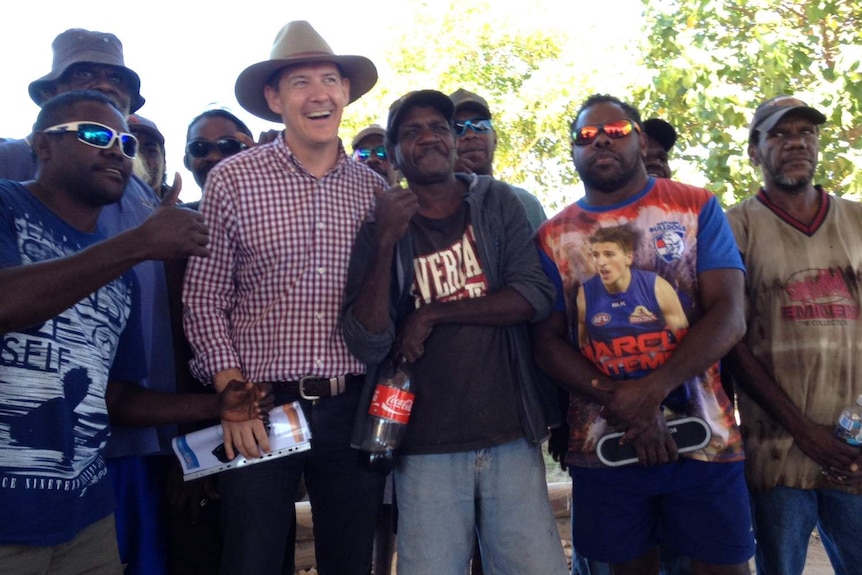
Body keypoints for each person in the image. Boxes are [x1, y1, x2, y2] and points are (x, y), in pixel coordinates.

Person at [182, 20, 386, 575]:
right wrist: (230, 391)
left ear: (346, 92)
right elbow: (204, 298)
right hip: (261, 405)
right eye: (299, 82)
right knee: (251, 558)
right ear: (273, 98)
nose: (318, 94)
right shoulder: (233, 180)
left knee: (351, 559)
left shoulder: (374, 190)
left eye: (329, 79)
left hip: (351, 408)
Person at [341, 89, 568, 575]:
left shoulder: (495, 202)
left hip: (509, 432)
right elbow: (369, 341)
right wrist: (384, 240)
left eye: (438, 127)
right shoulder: (380, 225)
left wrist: (432, 314)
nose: (428, 137)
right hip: (424, 444)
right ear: (396, 154)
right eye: (411, 131)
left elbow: (533, 295)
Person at [532, 93, 754, 575]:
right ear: (573, 152)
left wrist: (649, 393)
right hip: (603, 445)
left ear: (640, 138)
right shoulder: (553, 236)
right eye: (586, 136)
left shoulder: (695, 207)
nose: (601, 142)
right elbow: (547, 340)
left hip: (706, 439)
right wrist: (621, 399)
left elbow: (729, 314)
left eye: (615, 130)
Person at [0, 27, 189, 574]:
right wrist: (141, 244)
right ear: (43, 139)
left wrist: (217, 409)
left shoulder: (132, 222)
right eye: (90, 131)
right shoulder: (8, 186)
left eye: (125, 142)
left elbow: (118, 396)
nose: (115, 149)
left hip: (88, 503)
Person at [725, 95, 862, 575]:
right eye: (779, 134)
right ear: (753, 151)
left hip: (854, 449)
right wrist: (804, 431)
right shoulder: (734, 228)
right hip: (776, 452)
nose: (796, 143)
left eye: (806, 132)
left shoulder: (857, 219)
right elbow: (730, 341)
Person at [449, 87, 547, 229]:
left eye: (480, 125)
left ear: (495, 138)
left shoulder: (525, 204)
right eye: (457, 128)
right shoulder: (431, 213)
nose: (470, 134)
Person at [183, 108, 255, 195]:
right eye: (199, 147)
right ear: (186, 161)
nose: (214, 157)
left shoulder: (272, 205)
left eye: (227, 146)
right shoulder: (172, 209)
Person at [128, 113, 169, 198]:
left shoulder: (185, 210)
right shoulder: (98, 209)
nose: (139, 159)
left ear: (164, 162)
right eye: (128, 148)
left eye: (150, 151)